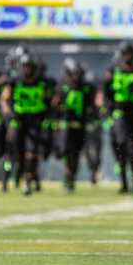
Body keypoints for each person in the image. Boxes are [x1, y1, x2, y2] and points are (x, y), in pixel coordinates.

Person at [0, 52, 51, 195]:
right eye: (25, 66)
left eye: (29, 66)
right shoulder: (15, 81)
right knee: (12, 151)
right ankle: (5, 180)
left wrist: (47, 113)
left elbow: (50, 100)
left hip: (34, 122)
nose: (27, 69)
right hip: (17, 120)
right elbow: (4, 99)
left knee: (31, 153)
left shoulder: (42, 82)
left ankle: (28, 182)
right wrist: (8, 114)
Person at [101, 43, 133, 194]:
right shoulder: (113, 70)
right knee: (121, 145)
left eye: (130, 53)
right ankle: (124, 182)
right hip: (119, 113)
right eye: (125, 53)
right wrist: (108, 111)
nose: (128, 56)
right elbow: (106, 92)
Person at [57, 59, 95, 192]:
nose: (76, 77)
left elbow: (91, 107)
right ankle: (68, 175)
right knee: (65, 152)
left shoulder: (86, 88)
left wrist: (91, 119)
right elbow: (55, 104)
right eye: (74, 74)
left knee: (76, 154)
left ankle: (71, 177)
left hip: (80, 126)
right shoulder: (62, 86)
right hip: (65, 126)